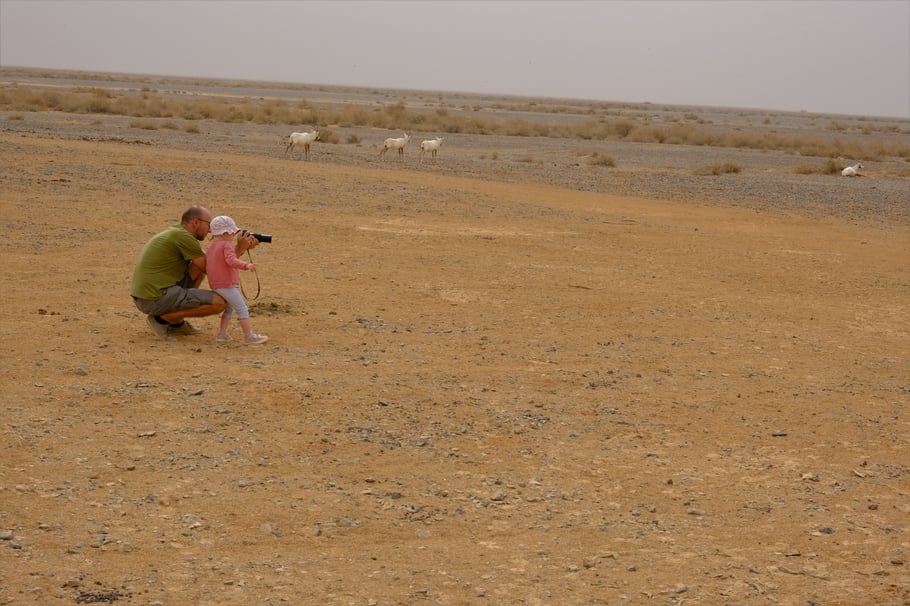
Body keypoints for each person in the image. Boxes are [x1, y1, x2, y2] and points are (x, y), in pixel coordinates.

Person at [130, 206, 258, 341]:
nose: (210, 230)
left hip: (148, 294)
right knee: (220, 302)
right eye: (209, 224)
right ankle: (160, 320)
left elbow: (209, 263)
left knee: (198, 267)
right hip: (153, 298)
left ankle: (177, 324)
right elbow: (213, 270)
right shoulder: (184, 237)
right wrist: (240, 249)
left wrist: (234, 250)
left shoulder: (178, 232)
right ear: (196, 222)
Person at [205, 215, 269, 345]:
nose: (234, 235)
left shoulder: (213, 246)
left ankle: (222, 334)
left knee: (230, 309)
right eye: (233, 233)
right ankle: (248, 336)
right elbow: (231, 260)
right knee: (242, 309)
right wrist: (246, 265)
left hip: (216, 284)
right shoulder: (226, 245)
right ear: (225, 232)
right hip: (226, 284)